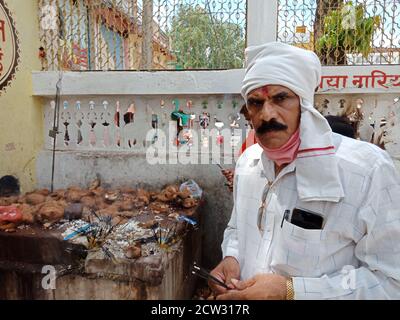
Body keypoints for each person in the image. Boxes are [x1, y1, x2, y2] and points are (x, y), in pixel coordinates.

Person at [209, 42, 400, 300]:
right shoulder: (248, 163)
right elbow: (237, 229)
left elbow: (390, 283)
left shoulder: (367, 171)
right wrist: (232, 258)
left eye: (280, 98)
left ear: (305, 103)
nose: (266, 114)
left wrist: (290, 291)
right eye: (255, 103)